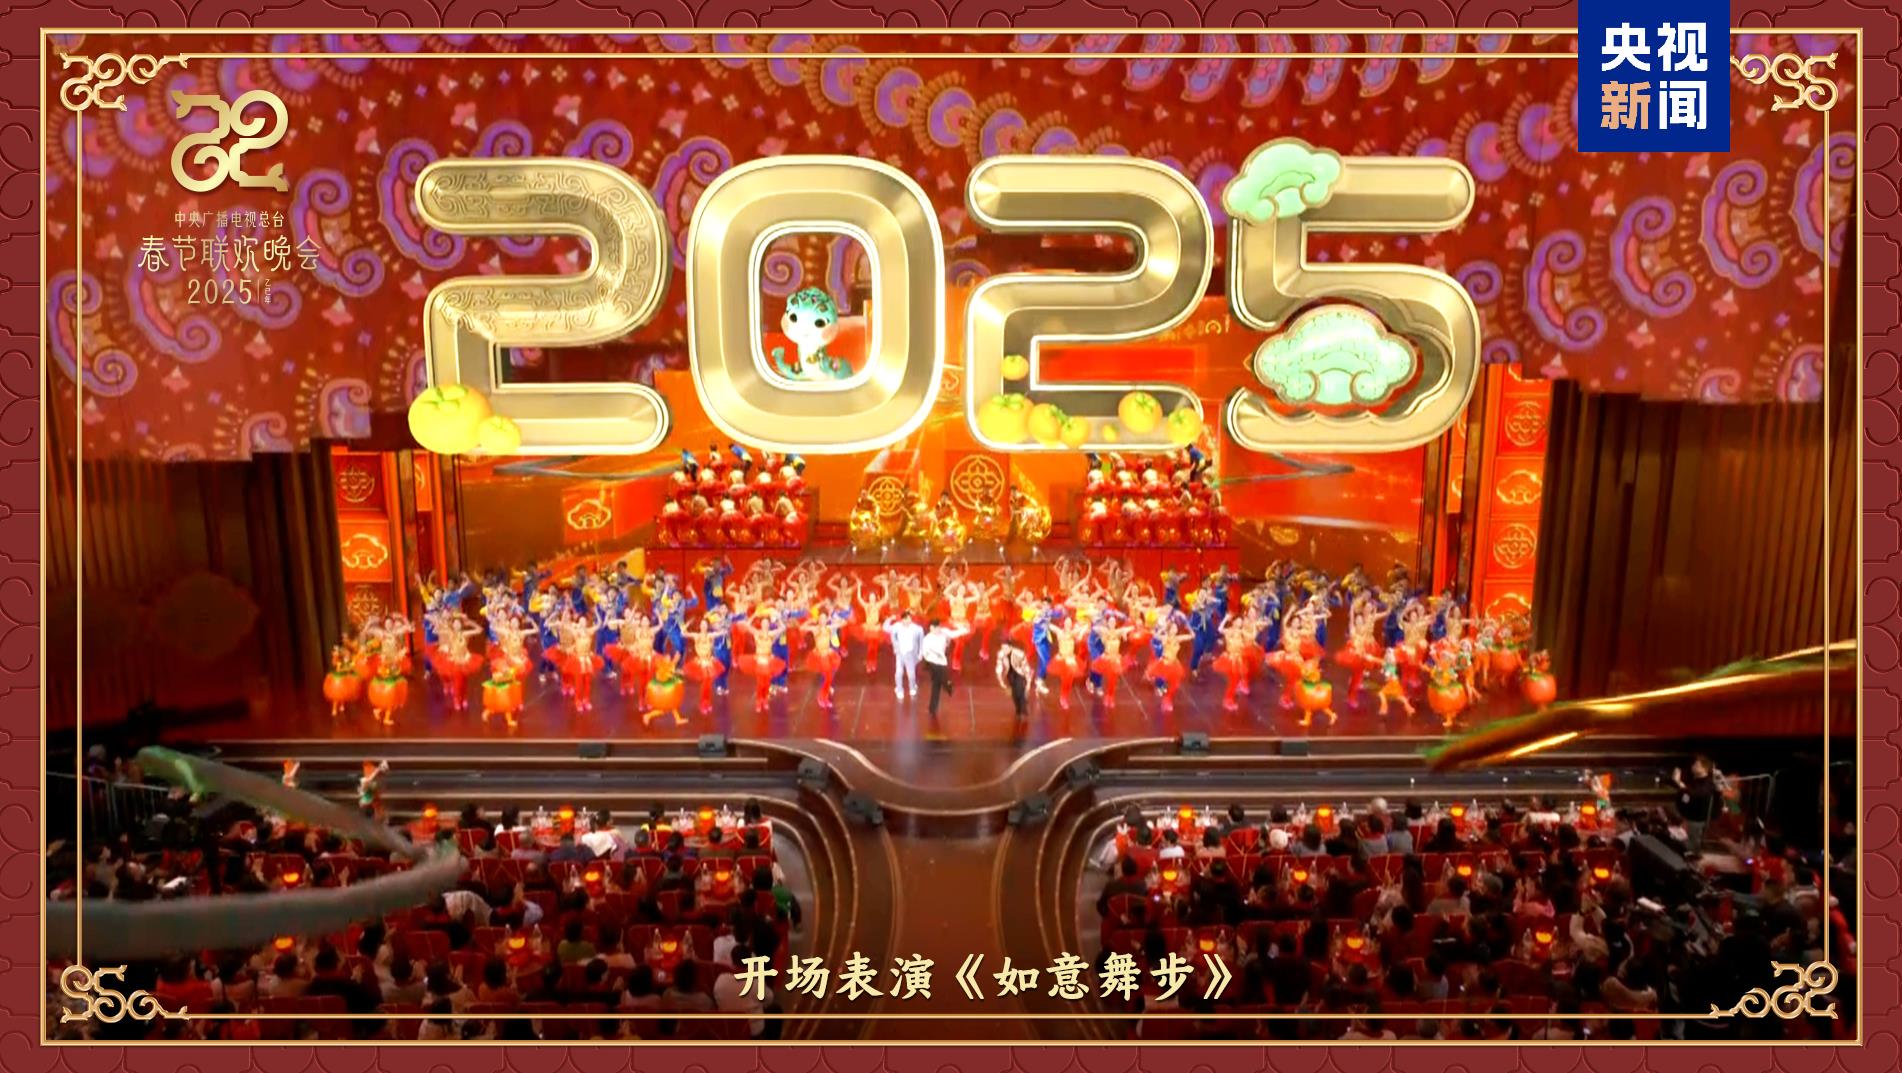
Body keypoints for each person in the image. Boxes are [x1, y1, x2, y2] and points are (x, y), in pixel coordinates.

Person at [921, 617, 967, 720]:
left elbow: (953, 634)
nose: (937, 629)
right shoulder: (927, 639)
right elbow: (925, 652)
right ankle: (946, 687)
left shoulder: (944, 632)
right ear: (931, 628)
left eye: (938, 627)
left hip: (942, 662)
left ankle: (934, 705)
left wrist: (963, 630)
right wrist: (930, 658)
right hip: (933, 663)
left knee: (937, 684)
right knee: (939, 682)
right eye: (934, 628)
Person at [885, 612, 925, 699]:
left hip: (910, 653)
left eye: (909, 618)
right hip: (900, 653)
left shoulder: (917, 629)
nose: (908, 621)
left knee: (911, 673)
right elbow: (886, 628)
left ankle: (912, 687)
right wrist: (890, 618)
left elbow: (921, 642)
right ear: (902, 620)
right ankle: (899, 690)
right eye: (906, 619)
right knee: (899, 672)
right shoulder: (897, 626)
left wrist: (920, 653)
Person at [994, 638, 1032, 724]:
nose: (1004, 650)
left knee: (1020, 691)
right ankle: (1018, 709)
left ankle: (1024, 711)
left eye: (1005, 648)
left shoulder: (1019, 654)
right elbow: (999, 666)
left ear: (1010, 647)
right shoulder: (1001, 654)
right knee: (1014, 694)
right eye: (1002, 648)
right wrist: (1000, 679)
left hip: (1019, 673)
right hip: (1009, 674)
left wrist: (1028, 681)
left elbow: (1025, 667)